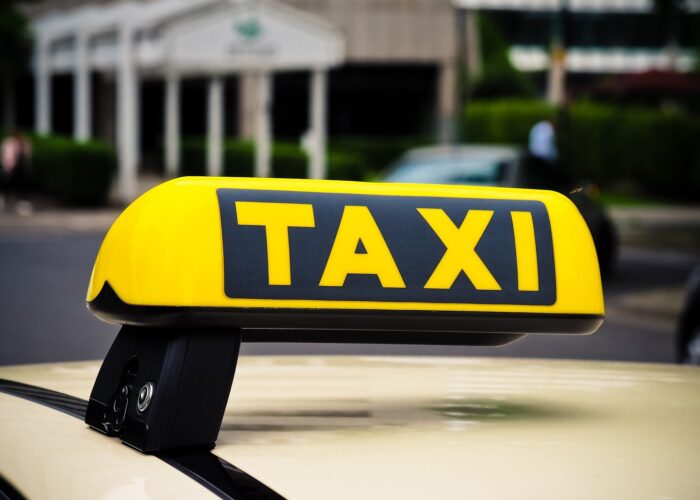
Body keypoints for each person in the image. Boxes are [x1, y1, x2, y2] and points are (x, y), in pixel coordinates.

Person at [1, 130, 33, 215]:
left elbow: (27, 155)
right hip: (11, 167)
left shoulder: (24, 143)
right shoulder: (9, 142)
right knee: (8, 184)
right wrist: (7, 166)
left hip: (21, 168)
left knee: (22, 186)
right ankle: (5, 199)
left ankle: (22, 203)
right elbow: (6, 155)